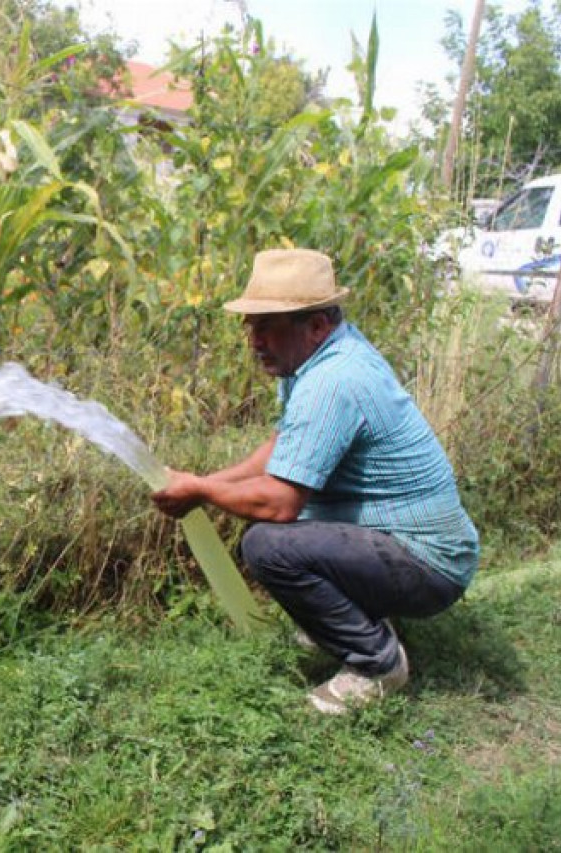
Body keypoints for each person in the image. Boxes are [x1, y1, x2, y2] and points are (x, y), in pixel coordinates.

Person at [151, 248, 479, 715]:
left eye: (267, 325)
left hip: (429, 564)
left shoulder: (334, 380)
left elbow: (280, 502)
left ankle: (376, 665)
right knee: (289, 527)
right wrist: (205, 481)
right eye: (250, 324)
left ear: (317, 326)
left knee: (269, 544)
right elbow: (283, 449)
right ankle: (357, 622)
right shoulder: (318, 357)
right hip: (413, 545)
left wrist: (201, 492)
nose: (253, 339)